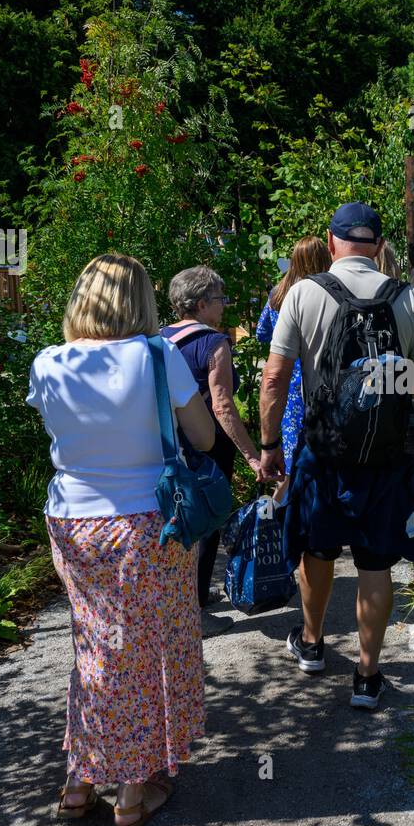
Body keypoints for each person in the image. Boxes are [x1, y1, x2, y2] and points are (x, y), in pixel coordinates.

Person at [26, 253, 216, 826]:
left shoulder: (48, 363)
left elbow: (67, 437)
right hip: (145, 524)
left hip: (72, 526)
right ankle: (132, 792)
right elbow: (203, 438)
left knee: (95, 647)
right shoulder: (156, 357)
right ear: (141, 301)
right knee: (147, 652)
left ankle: (78, 782)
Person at [258, 202, 414, 709]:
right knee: (375, 562)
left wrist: (270, 446)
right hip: (386, 458)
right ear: (379, 246)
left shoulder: (303, 294)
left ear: (331, 243)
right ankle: (367, 675)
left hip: (323, 454)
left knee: (317, 551)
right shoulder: (408, 299)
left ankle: (312, 645)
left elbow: (274, 378)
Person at [162, 266, 262, 636]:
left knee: (177, 520)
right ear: (201, 303)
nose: (224, 306)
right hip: (207, 443)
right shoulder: (214, 343)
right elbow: (223, 406)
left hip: (170, 445)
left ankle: (189, 597)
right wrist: (252, 455)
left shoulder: (158, 339)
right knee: (207, 521)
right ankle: (197, 611)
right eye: (220, 299)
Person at [255, 236, 331, 498]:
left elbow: (261, 332)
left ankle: (283, 515)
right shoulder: (329, 293)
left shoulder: (278, 294)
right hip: (319, 380)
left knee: (289, 459)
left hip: (286, 381)